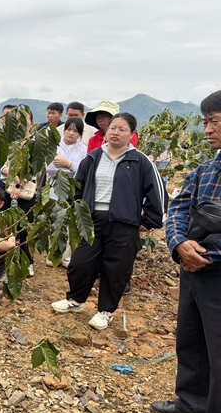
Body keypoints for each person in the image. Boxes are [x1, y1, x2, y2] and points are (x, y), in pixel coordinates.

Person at [51, 113, 164, 330]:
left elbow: (155, 192)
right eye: (112, 128)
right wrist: (75, 211)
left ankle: (105, 311)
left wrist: (149, 220)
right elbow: (77, 187)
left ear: (132, 134)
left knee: (116, 268)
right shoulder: (93, 157)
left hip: (124, 223)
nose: (115, 132)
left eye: (122, 129)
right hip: (92, 220)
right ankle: (75, 300)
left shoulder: (140, 161)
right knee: (80, 263)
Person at [150, 90, 221, 413]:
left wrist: (206, 253)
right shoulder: (206, 169)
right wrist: (179, 245)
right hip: (193, 271)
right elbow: (178, 208)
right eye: (204, 122)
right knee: (192, 341)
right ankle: (191, 403)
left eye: (214, 121)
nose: (207, 129)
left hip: (214, 270)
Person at [0, 109, 36, 276]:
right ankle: (4, 262)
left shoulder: (36, 143)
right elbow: (3, 166)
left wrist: (19, 184)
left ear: (31, 123)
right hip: (6, 188)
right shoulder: (11, 143)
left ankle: (27, 262)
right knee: (5, 225)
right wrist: (14, 180)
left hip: (26, 191)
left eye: (25, 120)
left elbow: (35, 168)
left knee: (24, 228)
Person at [45, 117, 88, 268]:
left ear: (80, 134)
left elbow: (83, 171)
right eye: (69, 129)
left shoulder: (84, 150)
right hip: (53, 191)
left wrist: (67, 163)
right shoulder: (54, 146)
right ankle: (52, 255)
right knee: (54, 223)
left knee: (70, 225)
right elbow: (50, 168)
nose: (71, 133)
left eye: (75, 131)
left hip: (73, 193)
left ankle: (66, 258)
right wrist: (72, 167)